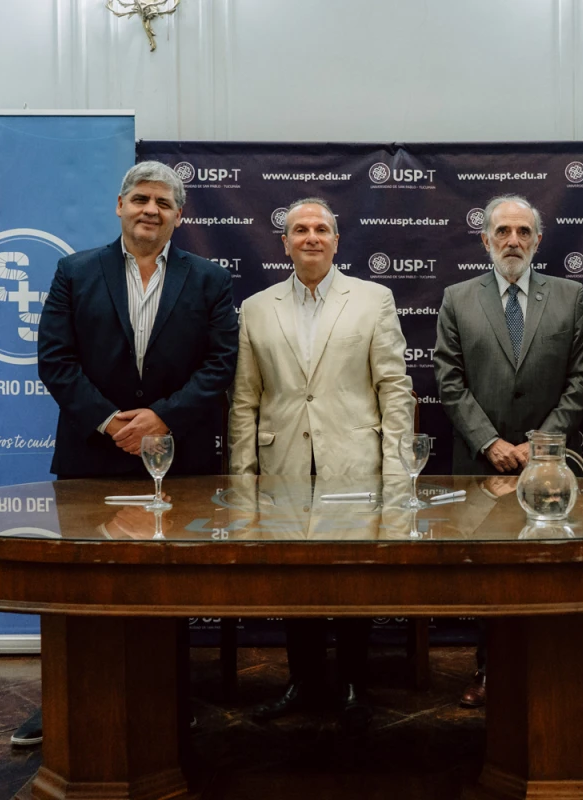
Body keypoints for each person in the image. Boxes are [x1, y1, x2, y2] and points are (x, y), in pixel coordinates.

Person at [21, 160, 239, 746]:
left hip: (174, 457)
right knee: (77, 588)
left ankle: (170, 696)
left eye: (163, 203)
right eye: (141, 199)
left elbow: (221, 364)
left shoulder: (211, 281)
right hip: (90, 457)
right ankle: (63, 703)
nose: (151, 210)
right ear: (119, 205)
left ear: (179, 216)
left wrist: (161, 417)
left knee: (169, 587)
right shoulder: (74, 272)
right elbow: (55, 360)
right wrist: (110, 420)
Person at [229, 197, 414, 731]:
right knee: (295, 580)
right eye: (299, 230)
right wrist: (243, 475)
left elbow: (394, 388)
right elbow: (245, 398)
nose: (311, 237)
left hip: (355, 462)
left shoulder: (373, 299)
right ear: (283, 242)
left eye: (321, 229)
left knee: (354, 578)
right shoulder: (256, 308)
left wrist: (397, 469)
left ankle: (355, 684)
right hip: (281, 464)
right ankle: (303, 681)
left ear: (337, 240)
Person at [432, 194, 583, 708]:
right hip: (481, 464)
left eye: (524, 232)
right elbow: (449, 380)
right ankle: (489, 668)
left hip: (549, 470)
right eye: (502, 231)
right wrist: (491, 442)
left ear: (538, 240)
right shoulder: (458, 298)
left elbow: (581, 378)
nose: (513, 241)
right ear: (485, 239)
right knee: (490, 574)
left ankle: (548, 671)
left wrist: (540, 447)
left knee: (548, 569)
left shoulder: (569, 297)